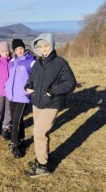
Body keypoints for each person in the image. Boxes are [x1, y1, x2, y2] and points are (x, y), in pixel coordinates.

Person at [25, 33, 76, 178]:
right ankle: (43, 158)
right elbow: (31, 79)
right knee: (42, 133)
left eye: (46, 46)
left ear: (52, 45)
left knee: (39, 133)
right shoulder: (38, 63)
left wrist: (52, 91)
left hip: (52, 103)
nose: (43, 49)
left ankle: (42, 166)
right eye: (40, 46)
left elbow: (70, 83)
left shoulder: (60, 63)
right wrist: (28, 86)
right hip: (37, 103)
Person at [4, 39, 35, 158]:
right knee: (17, 120)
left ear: (24, 48)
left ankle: (14, 144)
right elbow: (11, 77)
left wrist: (30, 88)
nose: (19, 51)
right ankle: (21, 139)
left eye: (21, 48)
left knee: (15, 121)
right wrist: (6, 86)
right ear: (14, 51)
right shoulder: (12, 61)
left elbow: (35, 77)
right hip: (11, 95)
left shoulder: (31, 61)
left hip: (22, 96)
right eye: (16, 49)